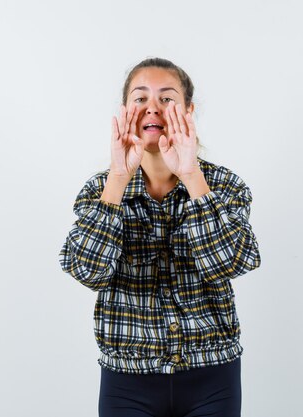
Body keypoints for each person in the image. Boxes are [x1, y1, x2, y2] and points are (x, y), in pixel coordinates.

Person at [58, 57, 262, 417]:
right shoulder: (99, 190)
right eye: (140, 98)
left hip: (212, 375)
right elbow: (86, 271)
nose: (153, 107)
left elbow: (230, 262)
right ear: (125, 111)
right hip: (128, 379)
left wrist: (190, 174)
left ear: (188, 110)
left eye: (167, 98)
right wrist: (119, 178)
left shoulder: (224, 186)